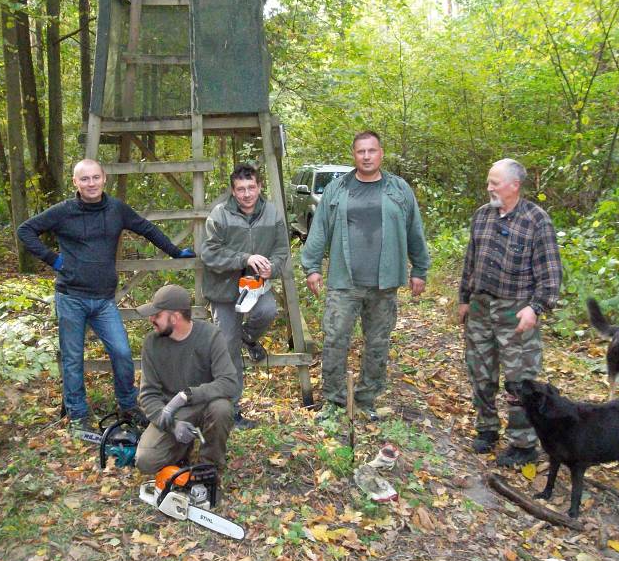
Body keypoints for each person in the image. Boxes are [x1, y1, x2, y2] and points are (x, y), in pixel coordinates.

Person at [17, 159, 194, 434]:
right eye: (84, 179)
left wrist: (175, 251)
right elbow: (25, 230)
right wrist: (53, 259)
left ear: (104, 179)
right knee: (73, 360)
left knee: (122, 353)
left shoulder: (116, 209)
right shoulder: (64, 211)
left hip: (103, 301)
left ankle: (128, 406)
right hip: (71, 297)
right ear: (75, 182)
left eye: (95, 177)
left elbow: (146, 228)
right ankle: (78, 416)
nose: (91, 183)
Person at [301, 131, 430, 421]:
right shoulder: (337, 189)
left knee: (378, 343)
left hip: (384, 283)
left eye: (372, 150)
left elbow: (414, 229)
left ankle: (366, 399)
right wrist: (312, 267)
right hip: (344, 282)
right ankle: (334, 402)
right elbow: (319, 228)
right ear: (354, 155)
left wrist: (420, 269)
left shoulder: (399, 189)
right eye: (361, 151)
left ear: (381, 153)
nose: (367, 156)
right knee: (335, 339)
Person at [458, 158, 562, 467]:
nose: (489, 187)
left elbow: (551, 274)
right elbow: (470, 261)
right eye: (488, 182)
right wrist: (464, 299)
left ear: (514, 185)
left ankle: (524, 443)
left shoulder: (536, 221)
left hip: (516, 312)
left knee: (520, 380)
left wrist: (536, 307)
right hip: (480, 307)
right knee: (480, 372)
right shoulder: (482, 216)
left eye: (495, 182)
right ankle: (487, 428)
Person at [200, 163, 289, 429]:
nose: (247, 194)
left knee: (268, 311)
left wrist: (273, 267)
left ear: (259, 187)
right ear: (233, 190)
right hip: (224, 290)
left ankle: (248, 338)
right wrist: (244, 258)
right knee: (228, 348)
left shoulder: (272, 213)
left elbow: (282, 250)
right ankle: (232, 410)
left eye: (251, 187)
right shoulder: (220, 215)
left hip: (255, 286)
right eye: (241, 189)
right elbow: (209, 253)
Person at [134, 284, 238, 473]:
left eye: (157, 315)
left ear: (175, 317)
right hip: (171, 412)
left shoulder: (210, 335)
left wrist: (188, 395)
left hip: (205, 405)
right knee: (146, 462)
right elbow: (148, 396)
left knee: (222, 408)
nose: (151, 319)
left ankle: (209, 466)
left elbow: (229, 382)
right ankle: (183, 446)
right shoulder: (151, 344)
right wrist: (173, 426)